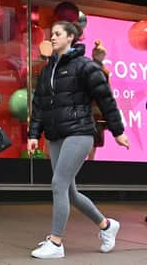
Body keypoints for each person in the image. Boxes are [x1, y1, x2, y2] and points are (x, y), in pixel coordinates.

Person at [27, 21, 130, 259]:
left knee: (58, 184)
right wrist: (34, 134)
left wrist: (118, 131)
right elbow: (39, 105)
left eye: (57, 34)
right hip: (56, 134)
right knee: (69, 192)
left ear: (71, 37)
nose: (52, 37)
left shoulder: (86, 66)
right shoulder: (47, 69)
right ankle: (106, 225)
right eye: (51, 34)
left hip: (80, 132)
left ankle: (56, 242)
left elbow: (106, 100)